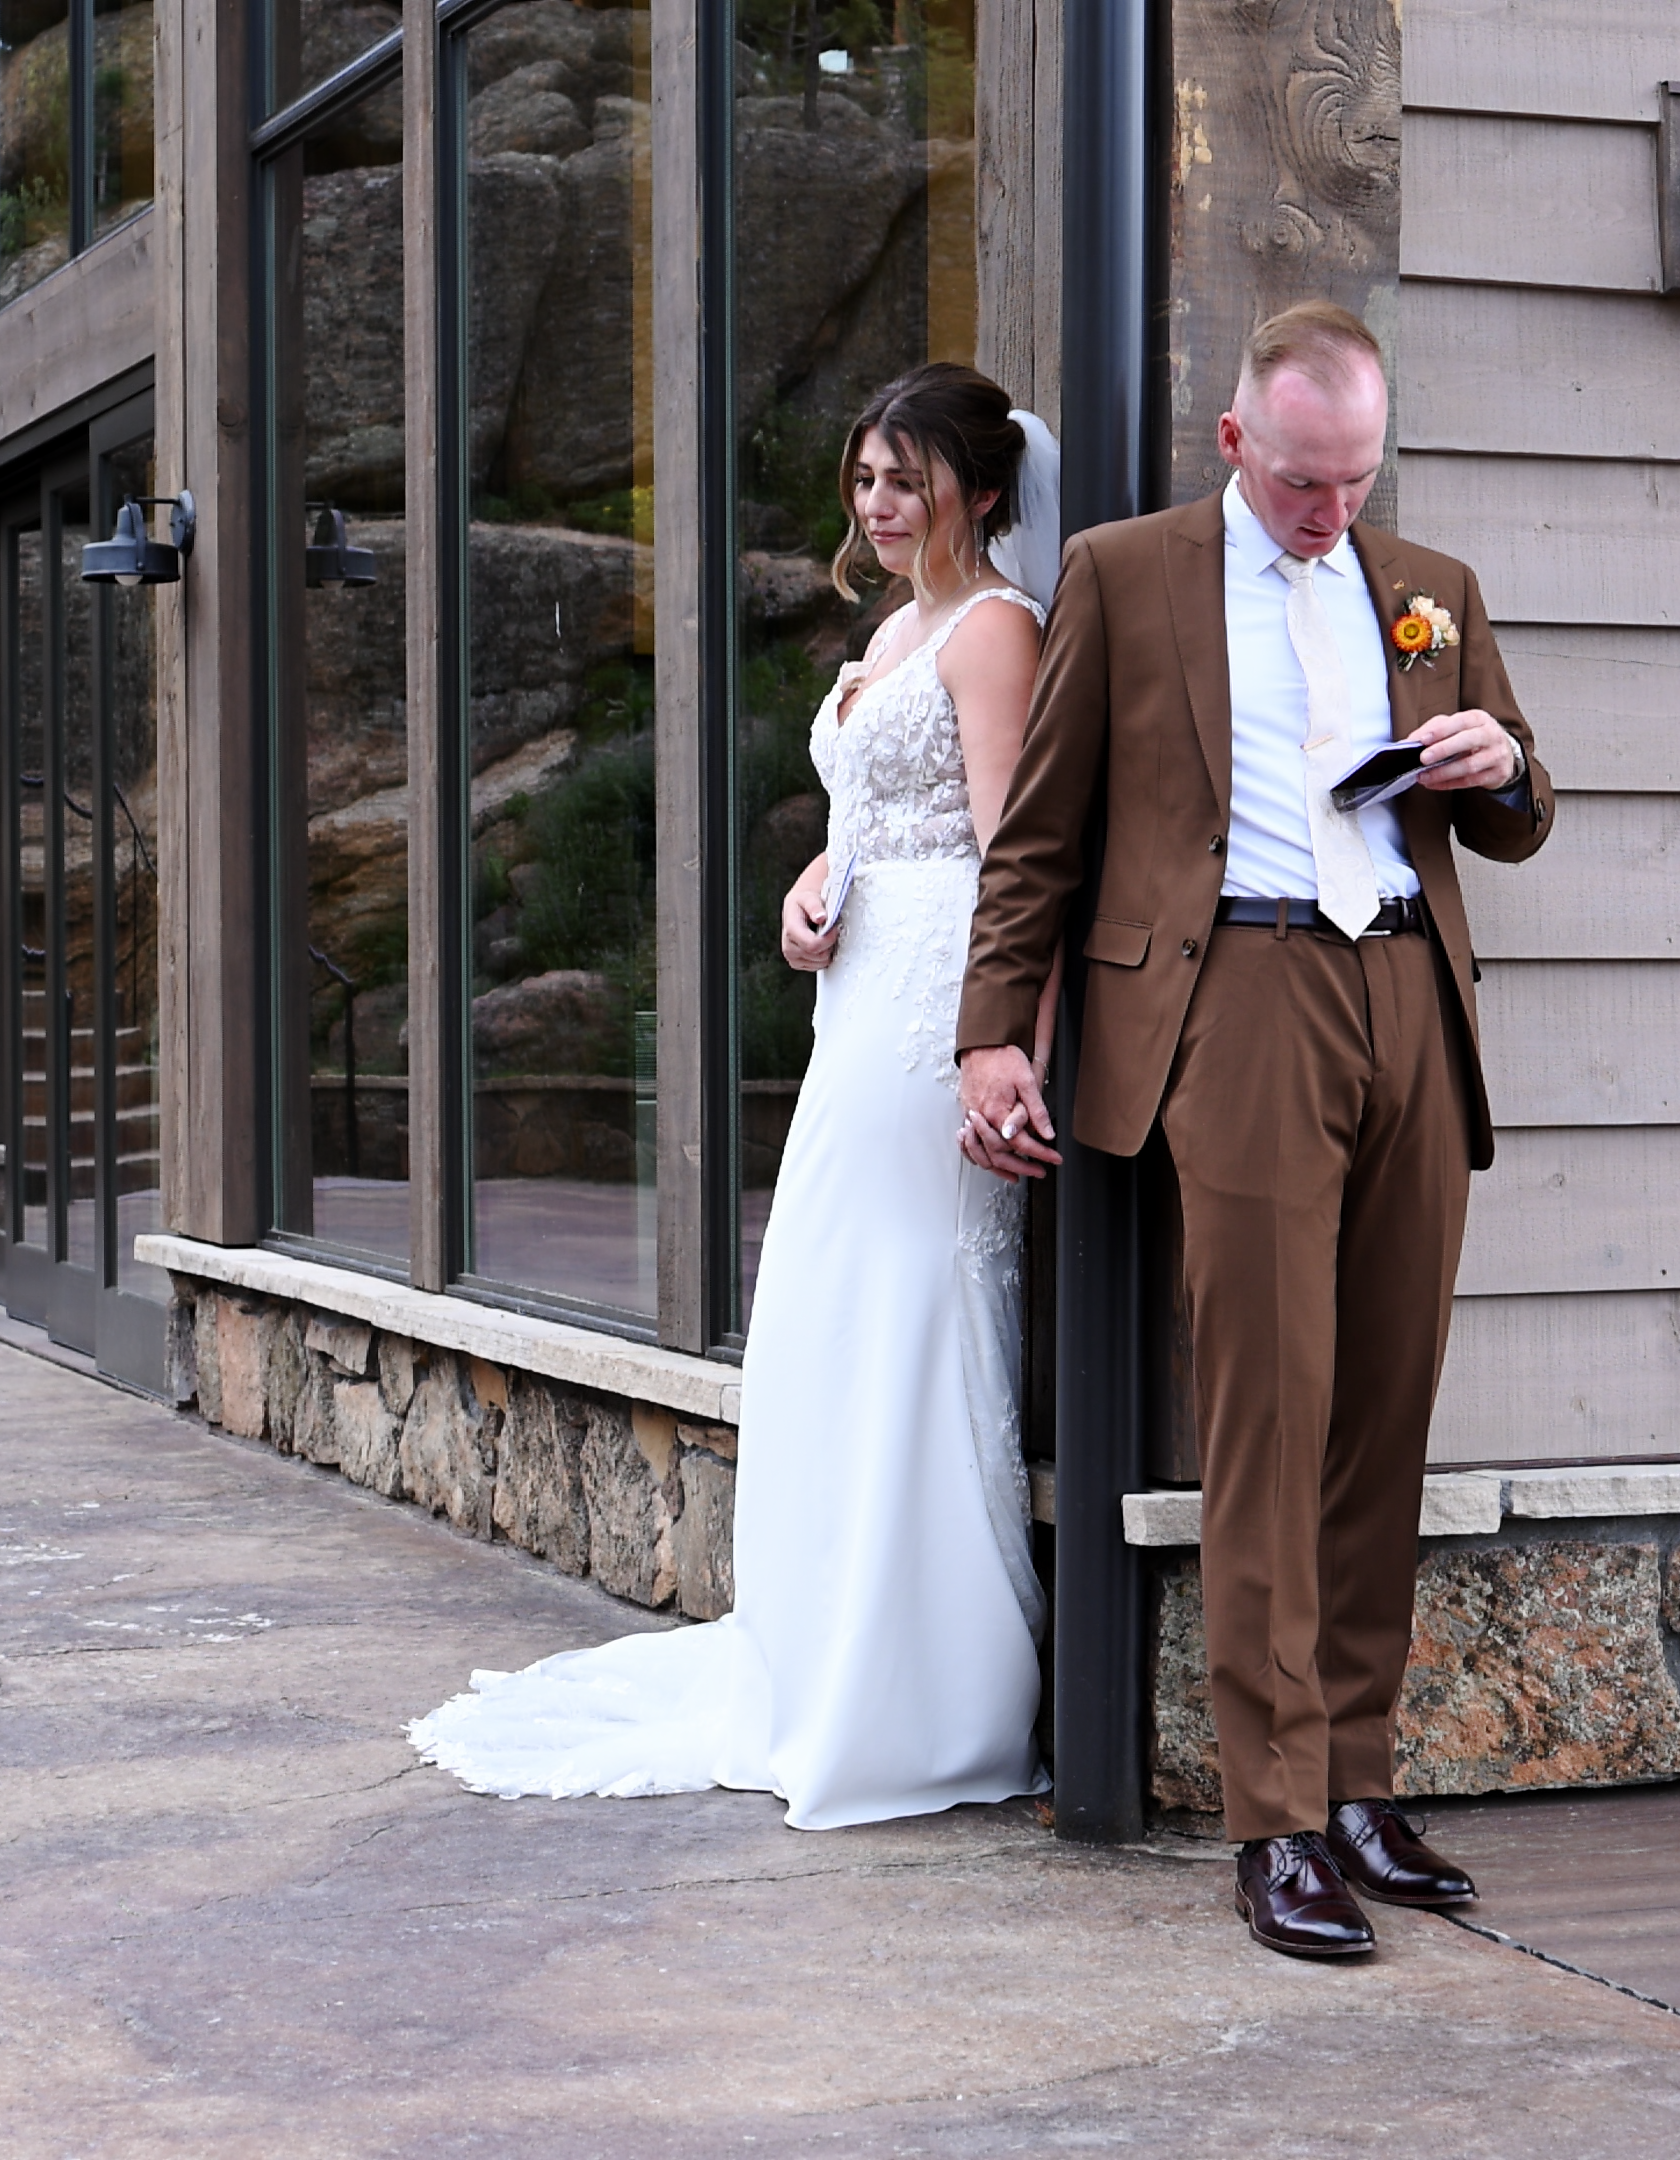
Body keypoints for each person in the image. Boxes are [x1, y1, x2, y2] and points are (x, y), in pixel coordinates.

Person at [953, 301, 1554, 1959]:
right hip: (1243, 1006)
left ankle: (1359, 1779)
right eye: (1304, 479)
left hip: (1410, 999)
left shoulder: (1427, 585)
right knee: (1269, 1414)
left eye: (1357, 478)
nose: (1332, 511)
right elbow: (1044, 837)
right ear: (1239, 443)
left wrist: (1499, 762)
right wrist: (992, 1033)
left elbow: (1515, 817)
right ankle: (1276, 1818)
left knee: (1384, 1410)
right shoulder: (1128, 577)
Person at [407, 363, 1064, 1828]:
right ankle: (825, 1651)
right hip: (858, 1000)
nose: (881, 506)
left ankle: (926, 1695)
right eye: (866, 480)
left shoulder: (997, 632)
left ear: (982, 486)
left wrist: (1000, 1037)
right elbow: (881, 825)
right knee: (828, 1311)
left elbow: (1016, 856)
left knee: (911, 1307)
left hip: (935, 1021)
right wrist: (812, 891)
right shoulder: (894, 629)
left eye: (909, 479)